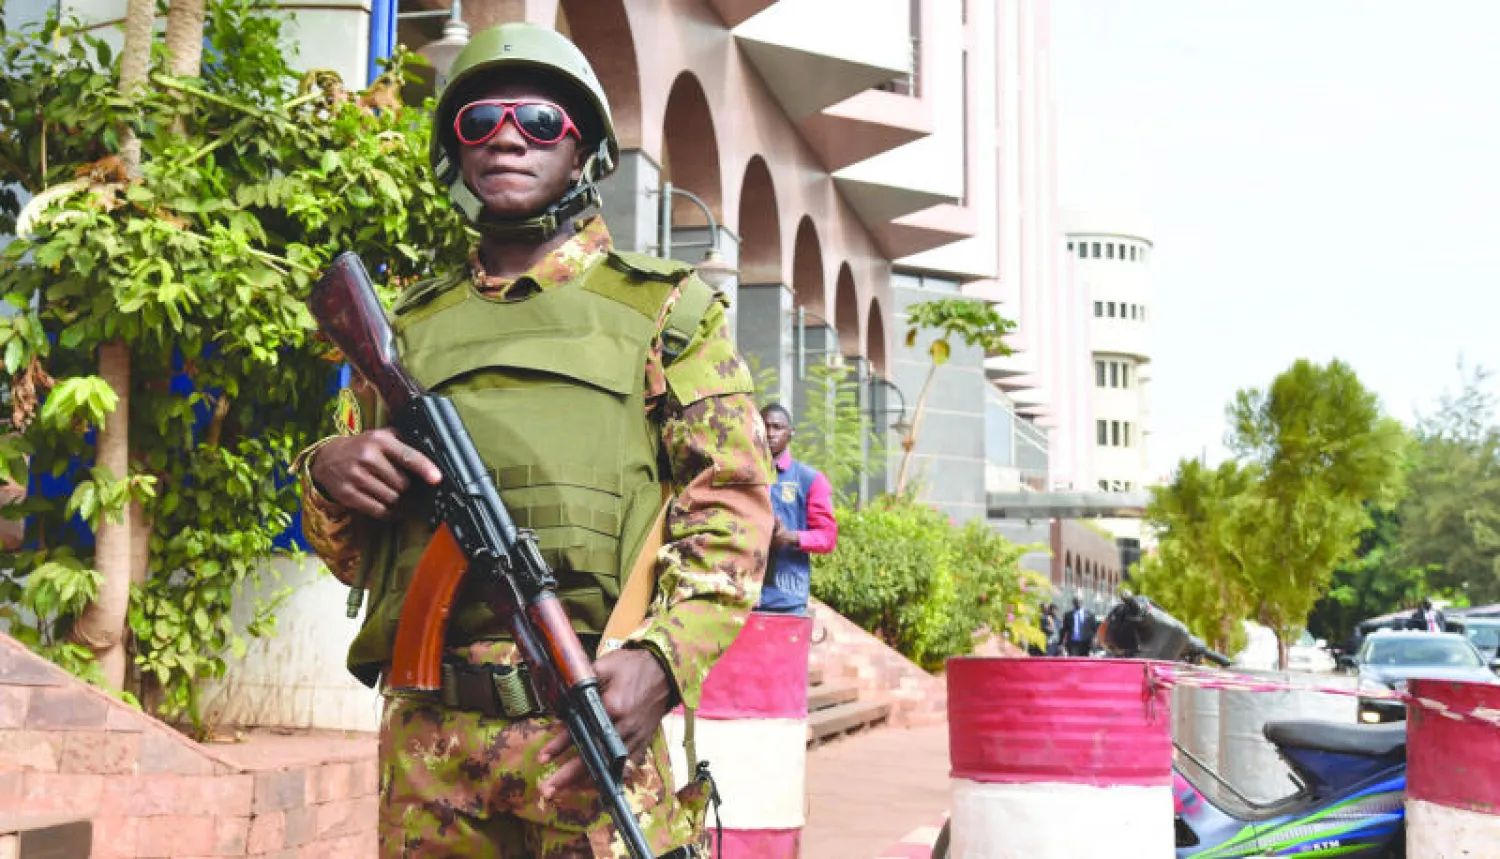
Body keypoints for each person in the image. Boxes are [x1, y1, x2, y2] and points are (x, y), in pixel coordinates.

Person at [293, 22, 773, 858]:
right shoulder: (404, 333)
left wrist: (662, 664)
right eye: (478, 122)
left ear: (581, 146)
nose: (507, 135)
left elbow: (731, 510)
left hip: (586, 726)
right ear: (455, 152)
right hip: (428, 750)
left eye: (539, 121)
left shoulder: (668, 313)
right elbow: (348, 554)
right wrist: (329, 475)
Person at [754, 403, 838, 616]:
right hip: (739, 597)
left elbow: (827, 537)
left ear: (791, 432)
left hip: (787, 600)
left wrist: (790, 537)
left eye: (777, 427)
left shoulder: (809, 479)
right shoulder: (740, 475)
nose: (770, 433)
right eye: (765, 427)